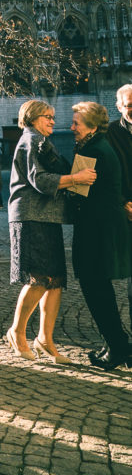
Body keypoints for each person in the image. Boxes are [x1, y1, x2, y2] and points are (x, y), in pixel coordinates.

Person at [6, 99, 96, 362]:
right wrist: (76, 179)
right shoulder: (30, 140)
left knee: (55, 280)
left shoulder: (42, 141)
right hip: (31, 217)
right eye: (47, 116)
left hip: (47, 217)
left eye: (53, 116)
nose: (53, 121)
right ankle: (16, 332)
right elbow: (40, 180)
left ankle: (45, 339)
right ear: (32, 117)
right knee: (38, 279)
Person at [70, 101, 131, 371]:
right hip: (103, 226)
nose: (72, 127)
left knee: (95, 289)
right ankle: (116, 344)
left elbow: (76, 193)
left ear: (92, 127)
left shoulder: (91, 150)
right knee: (100, 288)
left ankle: (117, 347)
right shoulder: (99, 144)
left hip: (96, 229)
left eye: (76, 123)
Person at [106, 83, 132, 332]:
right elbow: (109, 176)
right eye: (129, 106)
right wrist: (122, 201)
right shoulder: (111, 133)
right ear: (119, 107)